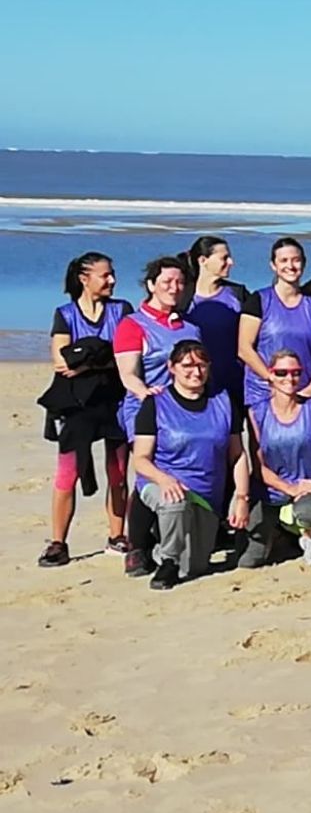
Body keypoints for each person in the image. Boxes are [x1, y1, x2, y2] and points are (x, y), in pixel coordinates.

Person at [38, 252, 134, 567]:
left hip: (116, 402)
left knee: (118, 474)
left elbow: (126, 357)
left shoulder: (122, 311)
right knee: (68, 474)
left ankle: (117, 536)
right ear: (84, 279)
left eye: (112, 274)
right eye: (105, 275)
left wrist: (87, 361)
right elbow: (61, 362)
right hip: (77, 406)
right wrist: (102, 358)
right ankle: (57, 543)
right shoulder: (65, 314)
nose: (112, 280)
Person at [129, 341, 250, 590]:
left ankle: (165, 539)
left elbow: (237, 455)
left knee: (195, 567)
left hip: (205, 495)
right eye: (187, 366)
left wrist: (241, 497)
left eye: (202, 365)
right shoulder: (155, 404)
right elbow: (140, 459)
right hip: (162, 485)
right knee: (175, 502)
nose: (196, 372)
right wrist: (164, 479)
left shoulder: (224, 402)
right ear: (171, 367)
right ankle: (168, 562)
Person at [113, 257, 202, 577]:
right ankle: (136, 546)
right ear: (151, 285)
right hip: (146, 407)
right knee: (149, 473)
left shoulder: (190, 327)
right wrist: (146, 395)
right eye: (166, 282)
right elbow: (128, 374)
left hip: (186, 410)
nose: (174, 288)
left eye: (179, 282)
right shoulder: (132, 324)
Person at [239, 349, 311, 568]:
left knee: (310, 514)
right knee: (249, 560)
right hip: (271, 491)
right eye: (282, 373)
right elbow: (258, 466)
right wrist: (290, 489)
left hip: (309, 489)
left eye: (295, 373)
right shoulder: (257, 413)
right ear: (271, 374)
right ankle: (281, 533)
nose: (289, 378)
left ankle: (310, 536)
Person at [239, 237, 311, 411]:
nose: (290, 266)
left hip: (304, 392)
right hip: (263, 393)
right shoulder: (258, 300)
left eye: (296, 260)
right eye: (283, 260)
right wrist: (273, 379)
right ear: (273, 265)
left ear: (304, 264)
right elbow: (244, 349)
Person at [180, 235, 248, 402]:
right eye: (224, 258)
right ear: (203, 260)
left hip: (233, 384)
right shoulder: (182, 297)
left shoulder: (238, 294)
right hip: (193, 383)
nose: (231, 262)